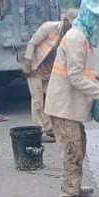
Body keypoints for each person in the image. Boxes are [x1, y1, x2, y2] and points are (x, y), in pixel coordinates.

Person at [44, 0, 99, 197]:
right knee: (72, 149)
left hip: (69, 107)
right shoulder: (76, 38)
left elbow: (80, 70)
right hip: (63, 107)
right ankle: (67, 195)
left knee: (79, 145)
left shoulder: (82, 37)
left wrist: (97, 77)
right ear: (89, 14)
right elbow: (75, 77)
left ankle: (75, 186)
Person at [23, 8, 78, 143]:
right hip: (35, 68)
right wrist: (28, 63)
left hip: (50, 72)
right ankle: (39, 132)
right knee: (37, 102)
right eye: (70, 24)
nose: (71, 28)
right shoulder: (48, 27)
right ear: (65, 21)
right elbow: (32, 43)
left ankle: (49, 128)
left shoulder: (72, 37)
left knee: (52, 100)